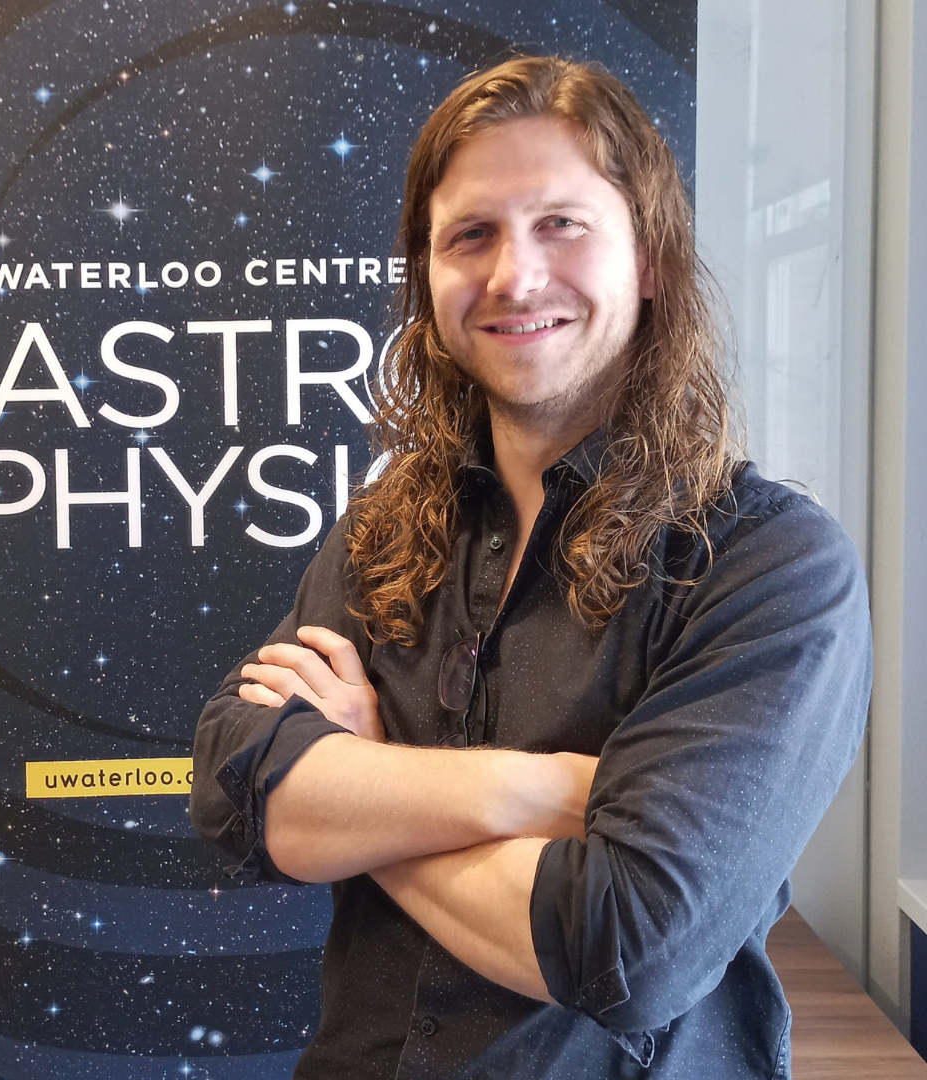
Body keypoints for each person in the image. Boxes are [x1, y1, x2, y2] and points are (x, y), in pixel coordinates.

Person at [190, 55, 871, 1079]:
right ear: (428, 276)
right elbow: (241, 786)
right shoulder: (386, 527)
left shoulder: (770, 565)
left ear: (649, 258)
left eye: (561, 223)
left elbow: (627, 949)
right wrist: (549, 791)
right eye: (472, 234)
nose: (514, 276)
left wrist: (372, 788)